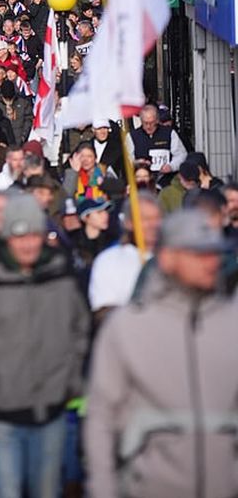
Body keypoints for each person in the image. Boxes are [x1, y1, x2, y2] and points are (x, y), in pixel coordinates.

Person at [0, 193, 90, 498]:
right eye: (19, 236)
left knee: (46, 491)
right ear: (7, 235)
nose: (26, 244)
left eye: (33, 235)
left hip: (50, 409)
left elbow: (82, 331)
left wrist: (75, 381)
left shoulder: (63, 272)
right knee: (5, 492)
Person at [85, 209, 238, 498]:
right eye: (198, 253)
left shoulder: (232, 322)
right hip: (150, 487)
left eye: (214, 253)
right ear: (167, 258)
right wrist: (103, 489)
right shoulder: (129, 327)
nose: (211, 262)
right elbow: (102, 417)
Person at [88, 193, 163, 318]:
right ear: (129, 223)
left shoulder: (174, 257)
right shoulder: (109, 261)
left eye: (157, 218)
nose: (153, 225)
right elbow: (102, 312)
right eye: (145, 219)